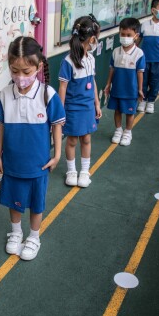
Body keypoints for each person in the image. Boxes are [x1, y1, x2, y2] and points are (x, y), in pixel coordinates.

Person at [0, 36, 65, 261]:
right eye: (14, 71)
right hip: (13, 162)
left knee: (36, 203)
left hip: (38, 163)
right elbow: (2, 126)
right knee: (14, 200)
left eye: (26, 72)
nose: (20, 77)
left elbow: (57, 125)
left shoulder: (48, 94)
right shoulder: (5, 95)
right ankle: (16, 233)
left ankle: (34, 237)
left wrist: (56, 155)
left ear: (39, 67)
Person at [58, 16, 102, 188]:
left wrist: (97, 104)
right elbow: (62, 88)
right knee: (72, 141)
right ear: (92, 39)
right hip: (73, 109)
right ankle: (71, 171)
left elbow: (93, 82)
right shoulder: (67, 62)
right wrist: (60, 112)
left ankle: (84, 171)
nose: (95, 42)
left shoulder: (91, 59)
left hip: (88, 107)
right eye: (95, 38)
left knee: (86, 139)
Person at [103, 17, 145, 146]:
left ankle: (127, 132)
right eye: (122, 34)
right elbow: (112, 69)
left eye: (129, 35)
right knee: (117, 110)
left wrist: (140, 89)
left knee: (130, 112)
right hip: (117, 88)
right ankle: (118, 130)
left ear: (136, 36)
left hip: (131, 90)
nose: (125, 37)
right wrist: (108, 84)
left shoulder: (139, 53)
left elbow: (140, 72)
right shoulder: (116, 52)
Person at [139, 0, 159, 114]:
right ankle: (142, 100)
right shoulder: (144, 25)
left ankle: (151, 102)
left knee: (155, 82)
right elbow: (138, 41)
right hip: (145, 60)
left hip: (158, 60)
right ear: (153, 10)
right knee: (144, 81)